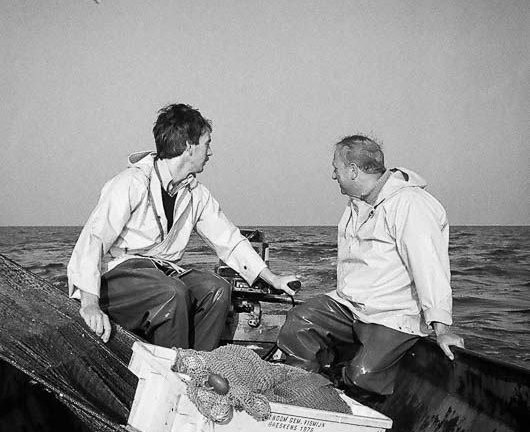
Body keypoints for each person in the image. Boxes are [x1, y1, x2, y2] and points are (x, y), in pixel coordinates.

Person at [68, 103, 299, 348]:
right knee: (171, 293)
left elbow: (228, 240)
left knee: (217, 290)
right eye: (207, 143)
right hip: (117, 276)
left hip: (160, 274)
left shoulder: (195, 193)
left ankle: (199, 369)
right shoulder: (130, 183)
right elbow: (93, 240)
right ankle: (173, 373)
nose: (210, 152)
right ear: (189, 146)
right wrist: (90, 303)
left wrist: (273, 278)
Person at [277, 134, 464, 406]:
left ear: (353, 170)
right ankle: (303, 398)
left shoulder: (411, 204)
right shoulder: (358, 203)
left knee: (362, 376)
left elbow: (430, 266)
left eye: (336, 168)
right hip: (351, 306)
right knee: (299, 322)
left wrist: (443, 328)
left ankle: (345, 392)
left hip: (392, 313)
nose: (333, 175)